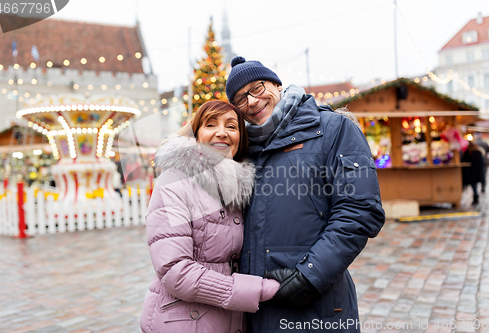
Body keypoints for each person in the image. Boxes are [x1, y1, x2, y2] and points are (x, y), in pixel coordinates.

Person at [225, 56, 386, 332]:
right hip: (256, 311)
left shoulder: (334, 129)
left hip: (319, 307)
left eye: (257, 88)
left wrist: (310, 276)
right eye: (240, 99)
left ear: (276, 84)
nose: (251, 101)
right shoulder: (239, 150)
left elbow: (360, 210)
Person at [140, 100, 280, 333]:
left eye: (232, 126)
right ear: (196, 135)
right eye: (211, 124)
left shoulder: (240, 186)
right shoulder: (175, 180)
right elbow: (175, 270)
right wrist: (258, 289)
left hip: (229, 319)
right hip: (184, 321)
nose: (221, 133)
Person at [462, 140, 485, 205]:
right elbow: (481, 163)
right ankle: (476, 195)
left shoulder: (467, 153)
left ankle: (475, 196)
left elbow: (464, 161)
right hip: (476, 172)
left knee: (473, 185)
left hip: (471, 173)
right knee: (475, 185)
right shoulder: (478, 152)